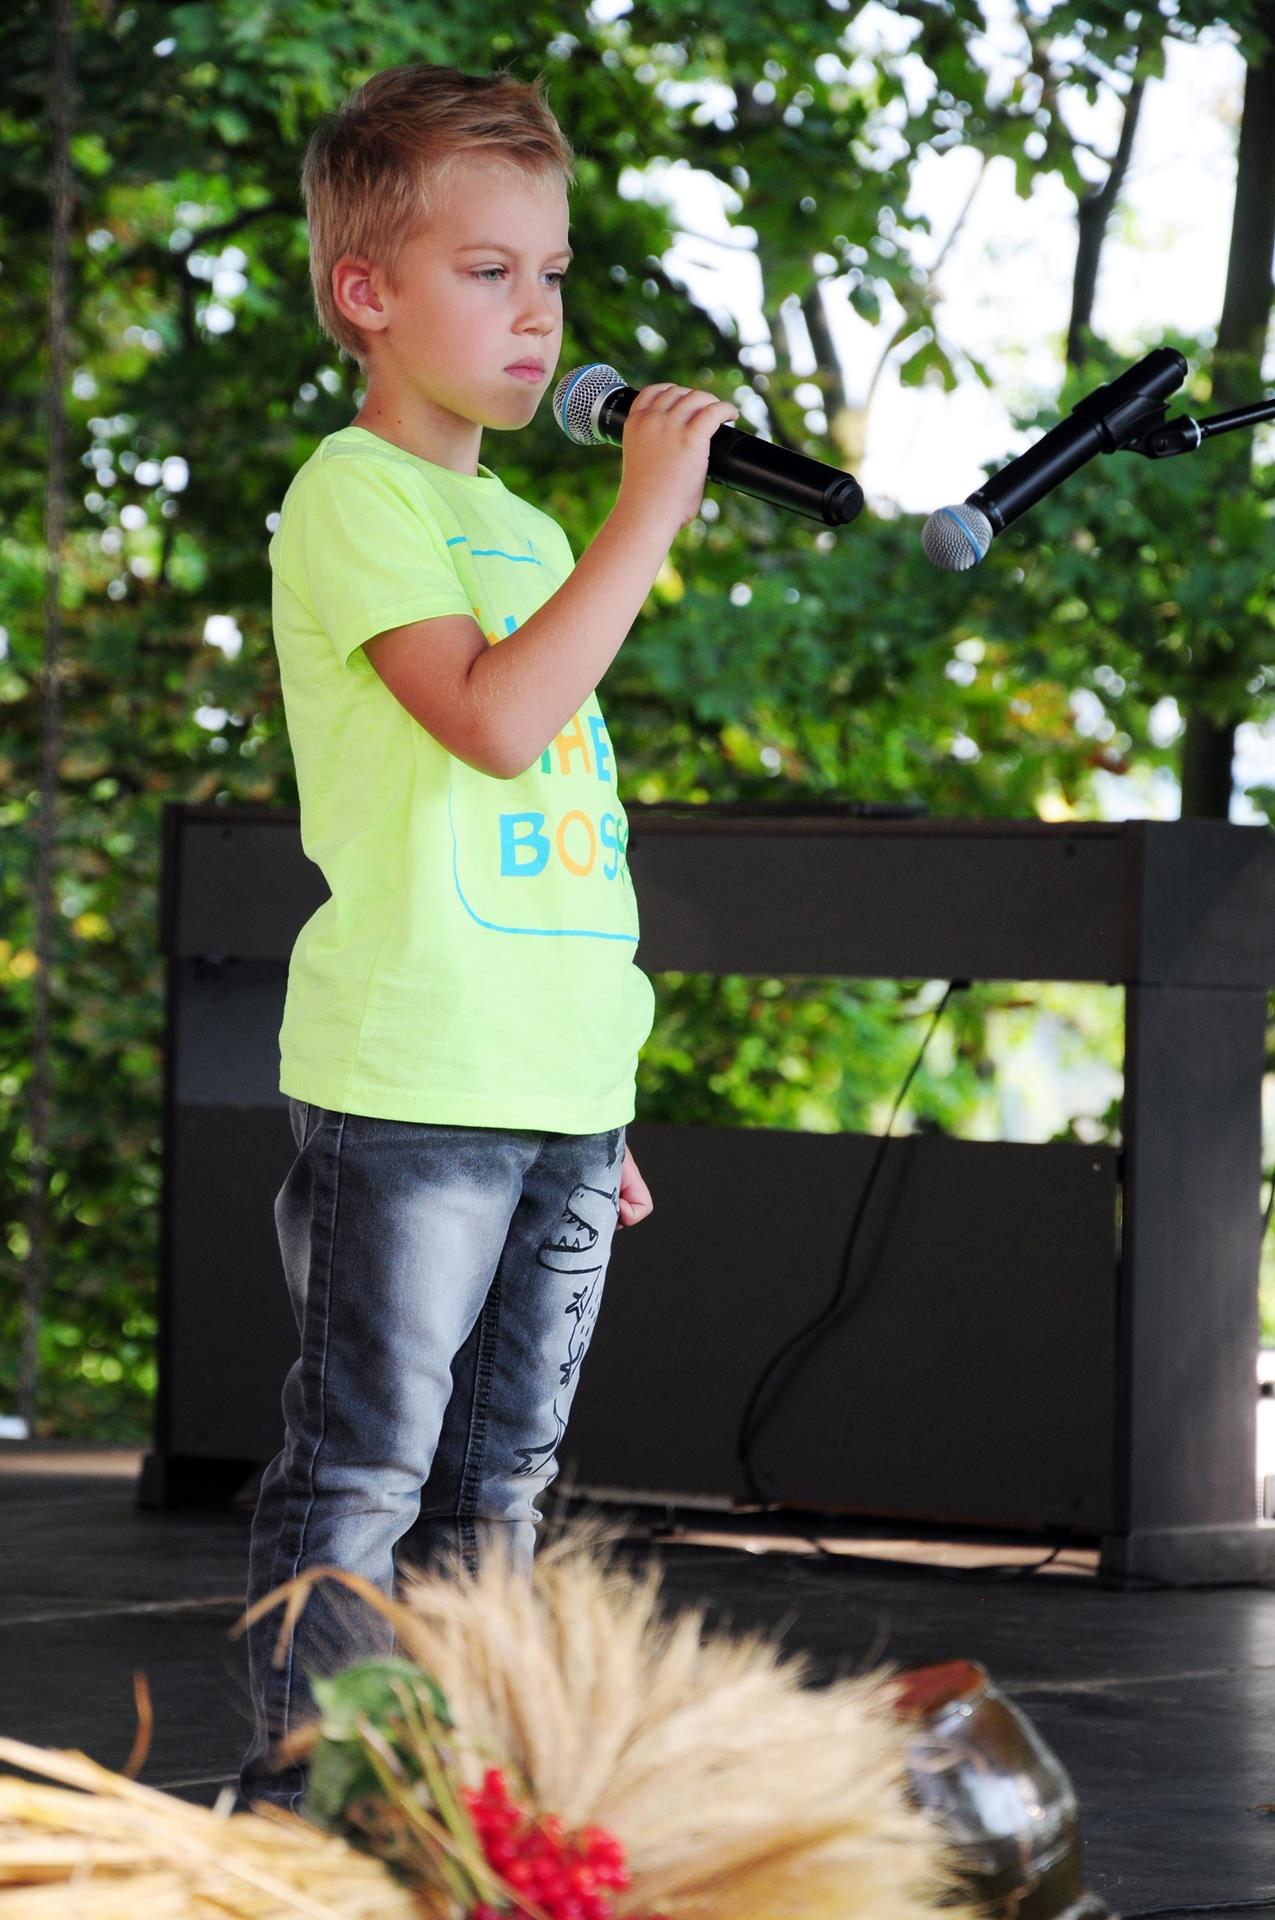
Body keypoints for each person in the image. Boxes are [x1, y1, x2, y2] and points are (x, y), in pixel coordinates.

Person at [238, 61, 739, 1814]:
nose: (538, 315)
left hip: (549, 1088)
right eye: (488, 271)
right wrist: (648, 515)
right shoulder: (356, 495)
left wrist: (586, 1084)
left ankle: (459, 1816)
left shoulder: (528, 529)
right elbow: (499, 726)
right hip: (411, 1079)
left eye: (552, 275)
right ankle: (311, 1818)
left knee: (501, 1489)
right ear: (366, 292)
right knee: (364, 1471)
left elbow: (562, 845)